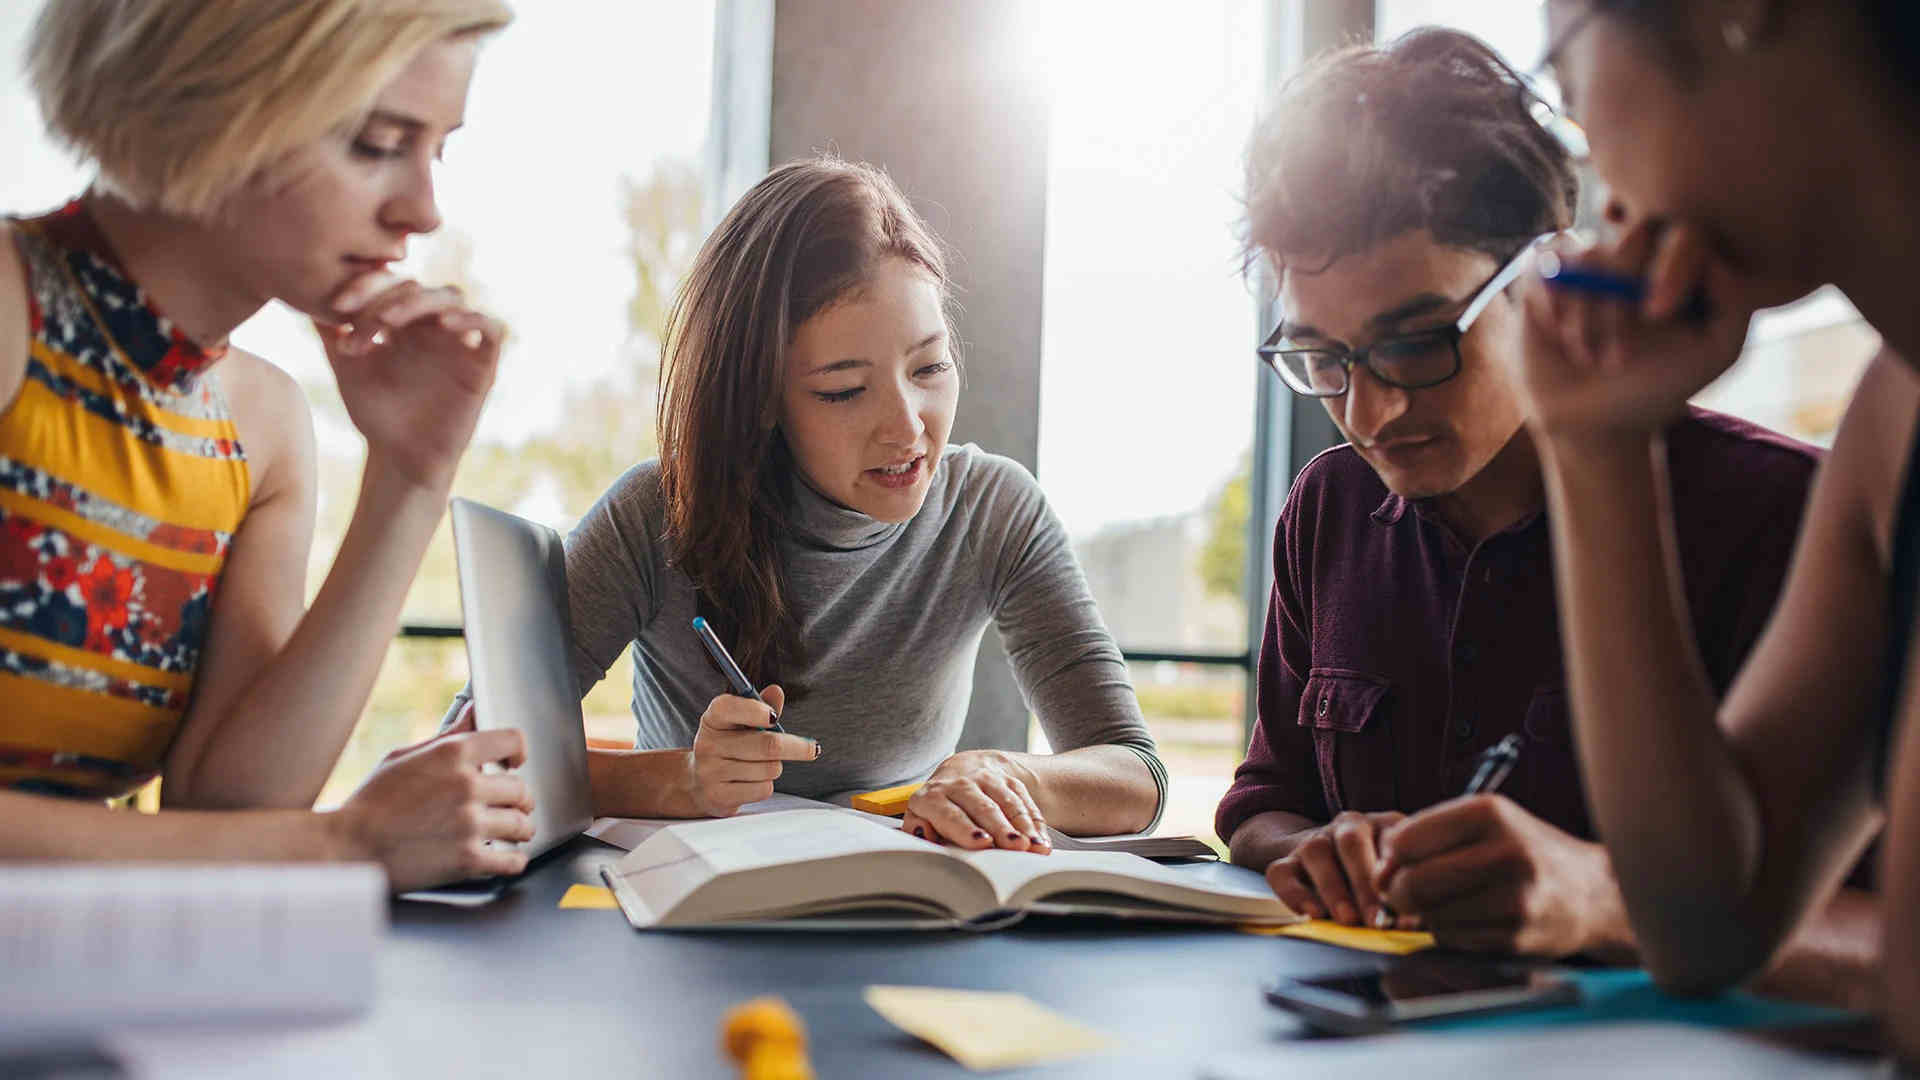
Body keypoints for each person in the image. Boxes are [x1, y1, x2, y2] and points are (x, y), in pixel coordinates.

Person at [1213, 27, 1877, 1004]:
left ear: (1545, 273)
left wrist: (1604, 904)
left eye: (1419, 343)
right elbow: (1264, 807)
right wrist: (1322, 853)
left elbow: (1885, 941)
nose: (1370, 412)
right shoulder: (1329, 510)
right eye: (1324, 358)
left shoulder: (1792, 516)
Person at [452, 156, 1166, 850]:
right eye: (844, 391)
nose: (910, 426)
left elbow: (1136, 774)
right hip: (691, 923)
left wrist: (1011, 774)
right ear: (760, 399)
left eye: (931, 366)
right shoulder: (656, 514)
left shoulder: (993, 509)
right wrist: (682, 781)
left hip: (904, 909)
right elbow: (468, 756)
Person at [0, 0, 534, 891]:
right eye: (375, 142)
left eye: (436, 149)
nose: (424, 210)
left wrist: (410, 477)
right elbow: (262, 844)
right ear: (210, 104)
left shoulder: (263, 424)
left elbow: (225, 816)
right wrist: (341, 844)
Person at [1500, 0, 1920, 1039]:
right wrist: (1598, 449)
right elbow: (1706, 927)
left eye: (1565, 71)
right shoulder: (1891, 421)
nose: (1588, 143)